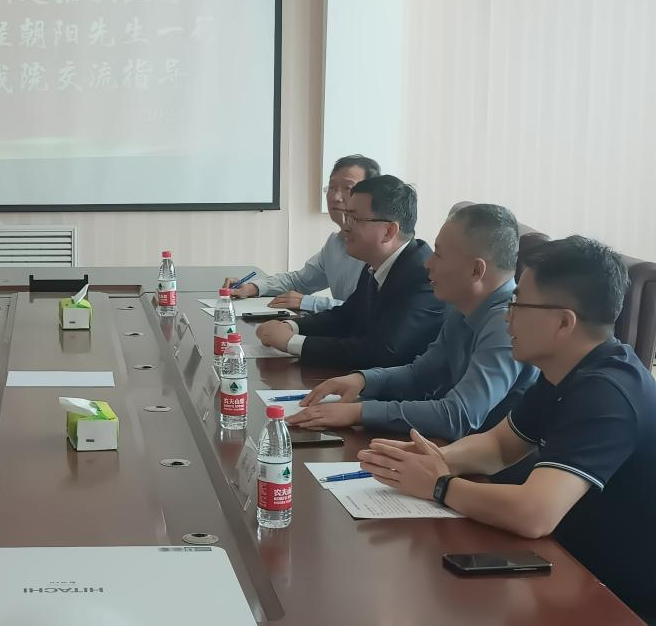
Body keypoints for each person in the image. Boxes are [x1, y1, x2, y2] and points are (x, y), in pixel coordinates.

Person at [358, 237, 656, 626]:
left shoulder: (608, 393)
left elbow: (535, 513)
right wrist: (435, 458)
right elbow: (500, 446)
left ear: (564, 322)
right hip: (568, 565)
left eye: (518, 304)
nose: (506, 317)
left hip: (621, 607)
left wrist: (439, 485)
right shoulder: (567, 369)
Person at [288, 203, 538, 439]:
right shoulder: (464, 307)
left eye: (438, 255)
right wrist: (362, 380)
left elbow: (459, 415)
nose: (428, 264)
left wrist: (359, 412)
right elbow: (421, 374)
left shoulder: (507, 323)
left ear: (476, 270)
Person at [256, 175, 444, 367]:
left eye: (354, 219)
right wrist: (292, 326)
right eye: (347, 217)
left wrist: (291, 342)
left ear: (389, 231)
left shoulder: (424, 277)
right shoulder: (375, 264)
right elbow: (347, 316)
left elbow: (384, 352)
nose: (345, 227)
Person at [227, 154, 379, 312]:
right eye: (332, 188)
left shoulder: (378, 248)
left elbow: (373, 311)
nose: (335, 197)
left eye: (348, 188)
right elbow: (299, 281)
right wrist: (254, 287)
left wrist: (309, 303)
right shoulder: (335, 243)